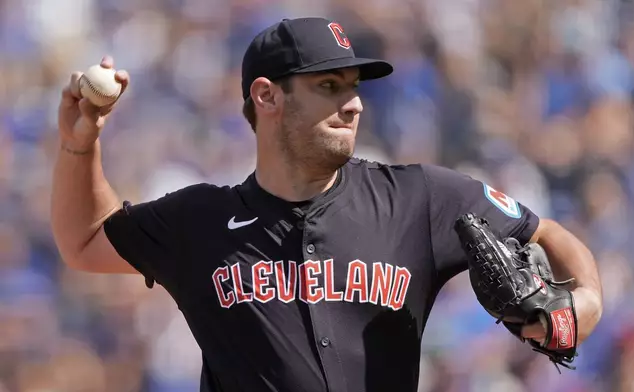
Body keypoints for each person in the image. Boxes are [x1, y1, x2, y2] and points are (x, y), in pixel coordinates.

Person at [51, 17, 603, 392]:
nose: (355, 103)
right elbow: (83, 241)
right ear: (267, 96)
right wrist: (81, 144)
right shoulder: (200, 221)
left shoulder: (421, 199)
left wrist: (585, 305)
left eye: (354, 86)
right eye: (330, 86)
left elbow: (549, 235)